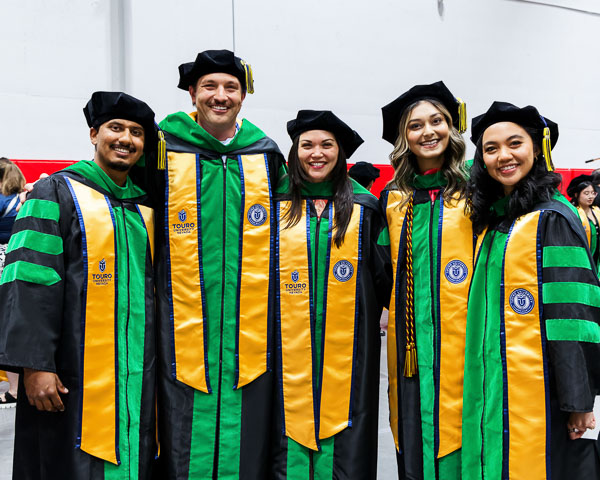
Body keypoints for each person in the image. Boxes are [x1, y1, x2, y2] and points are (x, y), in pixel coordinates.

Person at [0, 91, 158, 479]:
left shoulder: (145, 207)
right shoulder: (56, 192)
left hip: (138, 371)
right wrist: (36, 366)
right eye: (115, 128)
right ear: (93, 134)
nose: (126, 139)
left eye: (136, 132)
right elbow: (29, 280)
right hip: (72, 371)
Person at [153, 50, 285, 479]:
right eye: (209, 86)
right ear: (192, 92)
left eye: (231, 87)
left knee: (246, 441)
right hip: (179, 326)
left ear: (244, 95)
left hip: (250, 329)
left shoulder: (265, 154)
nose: (220, 96)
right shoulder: (162, 150)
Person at [462, 101, 600, 479]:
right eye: (491, 149)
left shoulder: (552, 219)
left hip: (542, 394)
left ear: (537, 149)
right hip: (496, 384)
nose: (503, 156)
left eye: (514, 144)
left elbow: (572, 315)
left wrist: (578, 400)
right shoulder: (499, 220)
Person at [271, 110, 391, 479]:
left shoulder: (365, 208)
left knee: (348, 430)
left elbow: (384, 275)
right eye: (307, 145)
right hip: (283, 347)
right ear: (295, 152)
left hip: (351, 350)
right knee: (283, 426)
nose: (316, 153)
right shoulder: (274, 206)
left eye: (327, 145)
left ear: (341, 153)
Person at [379, 81, 472, 479]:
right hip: (412, 348)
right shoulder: (394, 198)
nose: (428, 131)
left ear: (452, 128)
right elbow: (381, 270)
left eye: (437, 121)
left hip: (467, 345)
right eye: (415, 126)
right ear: (404, 139)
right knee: (415, 436)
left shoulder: (475, 191)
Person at [0, 157, 25, 407]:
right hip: (19, 260)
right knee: (14, 326)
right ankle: (17, 388)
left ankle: (14, 389)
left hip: (0, 262)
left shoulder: (1, 201)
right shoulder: (24, 200)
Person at [567, 175, 600, 272]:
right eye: (586, 193)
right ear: (576, 195)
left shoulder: (597, 211)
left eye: (593, 193)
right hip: (582, 258)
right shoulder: (573, 213)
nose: (590, 197)